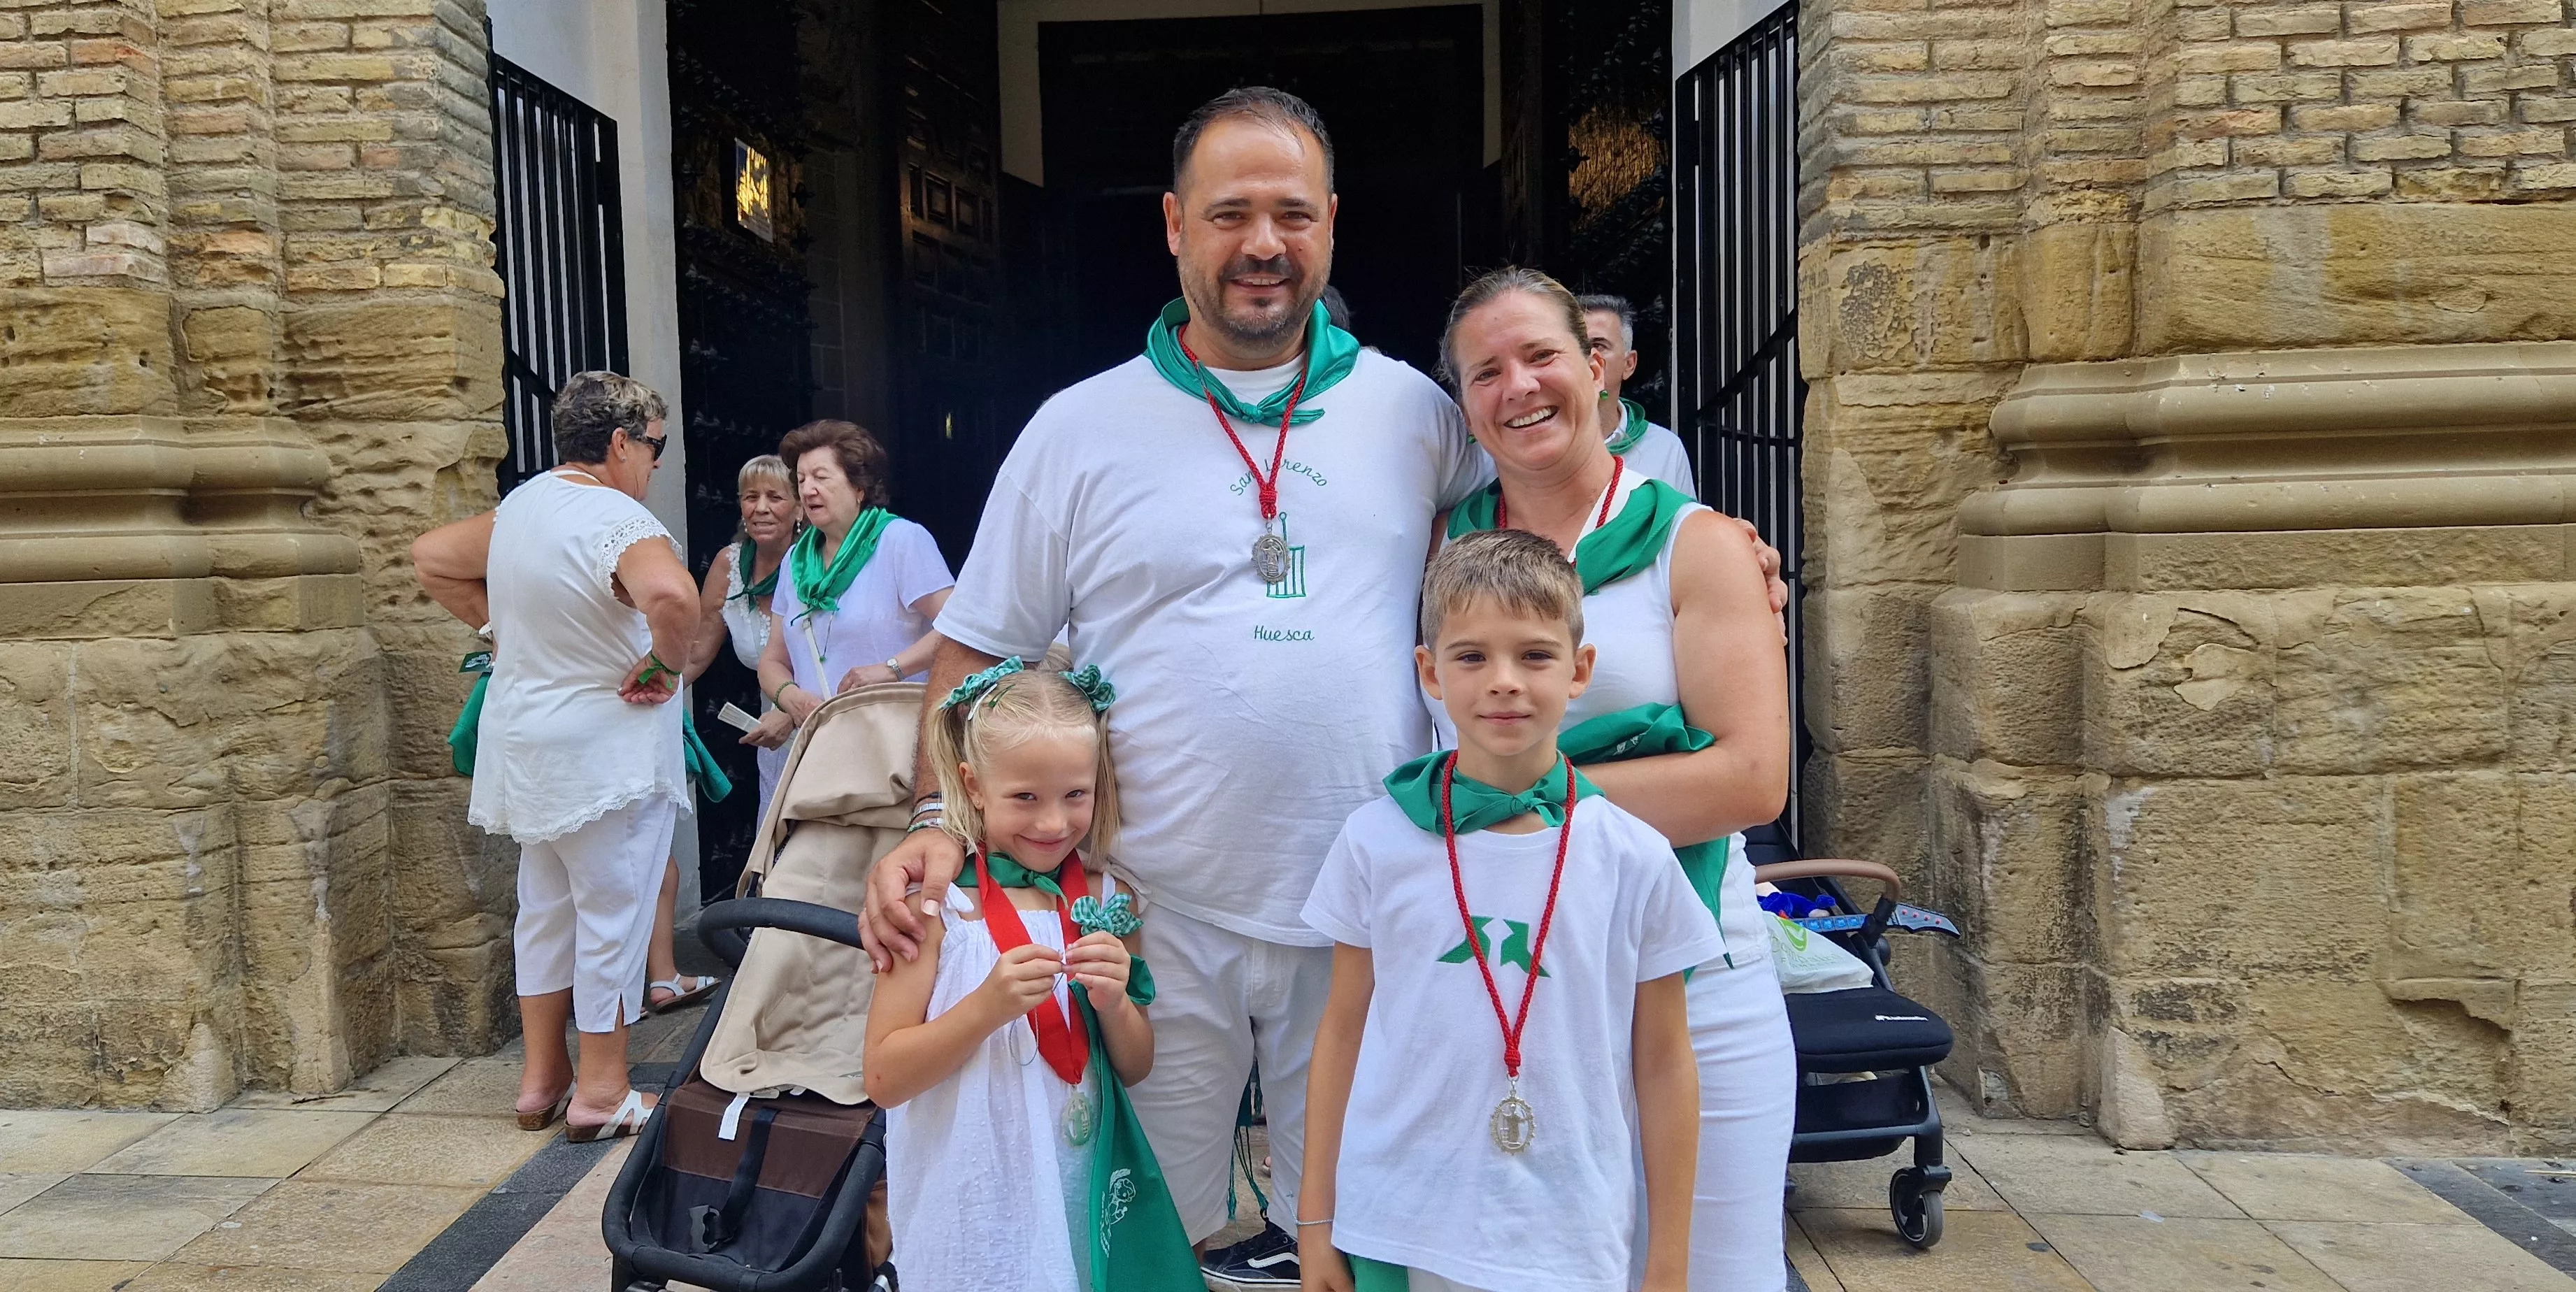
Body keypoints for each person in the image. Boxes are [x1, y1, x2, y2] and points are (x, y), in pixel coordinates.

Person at [861, 87, 1786, 1289]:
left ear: (1331, 225)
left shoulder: (1415, 410)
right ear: (1172, 227)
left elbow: (1547, 479)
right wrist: (936, 821)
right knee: (1139, 1233)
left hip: (1379, 914)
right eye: (1229, 212)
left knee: (1361, 1238)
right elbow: (975, 652)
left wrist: (1702, 541)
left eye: (1290, 213)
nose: (1261, 243)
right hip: (1153, 916)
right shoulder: (1074, 431)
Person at [1438, 269, 1795, 1291]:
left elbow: (1751, 777)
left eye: (1542, 357)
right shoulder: (1446, 550)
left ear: (1596, 368)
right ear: (1464, 406)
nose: (1520, 388)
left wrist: (1517, 794)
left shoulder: (1701, 547)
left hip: (1693, 981)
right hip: (1513, 984)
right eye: (1486, 373)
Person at [1300, 529, 1716, 1292]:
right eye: (1470, 656)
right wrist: (1315, 1219)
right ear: (1429, 671)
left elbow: (1663, 1063)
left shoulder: (1633, 857)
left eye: (1534, 655)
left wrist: (1669, 1261)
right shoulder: (1376, 840)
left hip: (1567, 1231)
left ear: (1580, 669)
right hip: (1393, 1219)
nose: (1503, 682)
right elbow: (1342, 1030)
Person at [410, 371, 696, 1141]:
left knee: (547, 909)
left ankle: (542, 1083)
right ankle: (602, 1092)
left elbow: (433, 555)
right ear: (619, 443)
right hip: (606, 751)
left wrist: (498, 631)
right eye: (655, 446)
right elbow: (673, 597)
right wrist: (668, 666)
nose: (657, 463)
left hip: (531, 743)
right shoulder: (615, 517)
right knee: (614, 913)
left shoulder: (525, 505)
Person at [864, 661, 1201, 1292]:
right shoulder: (940, 912)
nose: (1053, 824)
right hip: (974, 1197)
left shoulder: (1108, 901)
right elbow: (883, 1078)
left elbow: (1135, 1065)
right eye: (1026, 798)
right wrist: (984, 1009)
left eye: (1076, 795)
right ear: (972, 785)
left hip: (1078, 1186)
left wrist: (1114, 1005)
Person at [746, 420, 954, 756]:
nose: (808, 489)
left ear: (859, 487)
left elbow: (958, 626)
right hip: (821, 751)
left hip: (898, 747)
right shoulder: (795, 561)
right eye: (801, 480)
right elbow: (772, 660)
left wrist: (890, 670)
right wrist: (789, 696)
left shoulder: (901, 541)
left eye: (821, 477)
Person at [686, 452, 798, 822]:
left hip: (825, 722)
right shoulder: (729, 564)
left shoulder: (819, 563)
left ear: (799, 508)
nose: (761, 508)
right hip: (772, 734)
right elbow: (697, 653)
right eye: (750, 497)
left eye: (775, 497)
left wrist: (792, 713)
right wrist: (651, 687)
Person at [1575, 294, 1696, 498]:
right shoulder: (1536, 440)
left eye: (1599, 345)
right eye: (1578, 345)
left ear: (1629, 364)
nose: (1588, 356)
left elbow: (1684, 528)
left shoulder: (1664, 449)